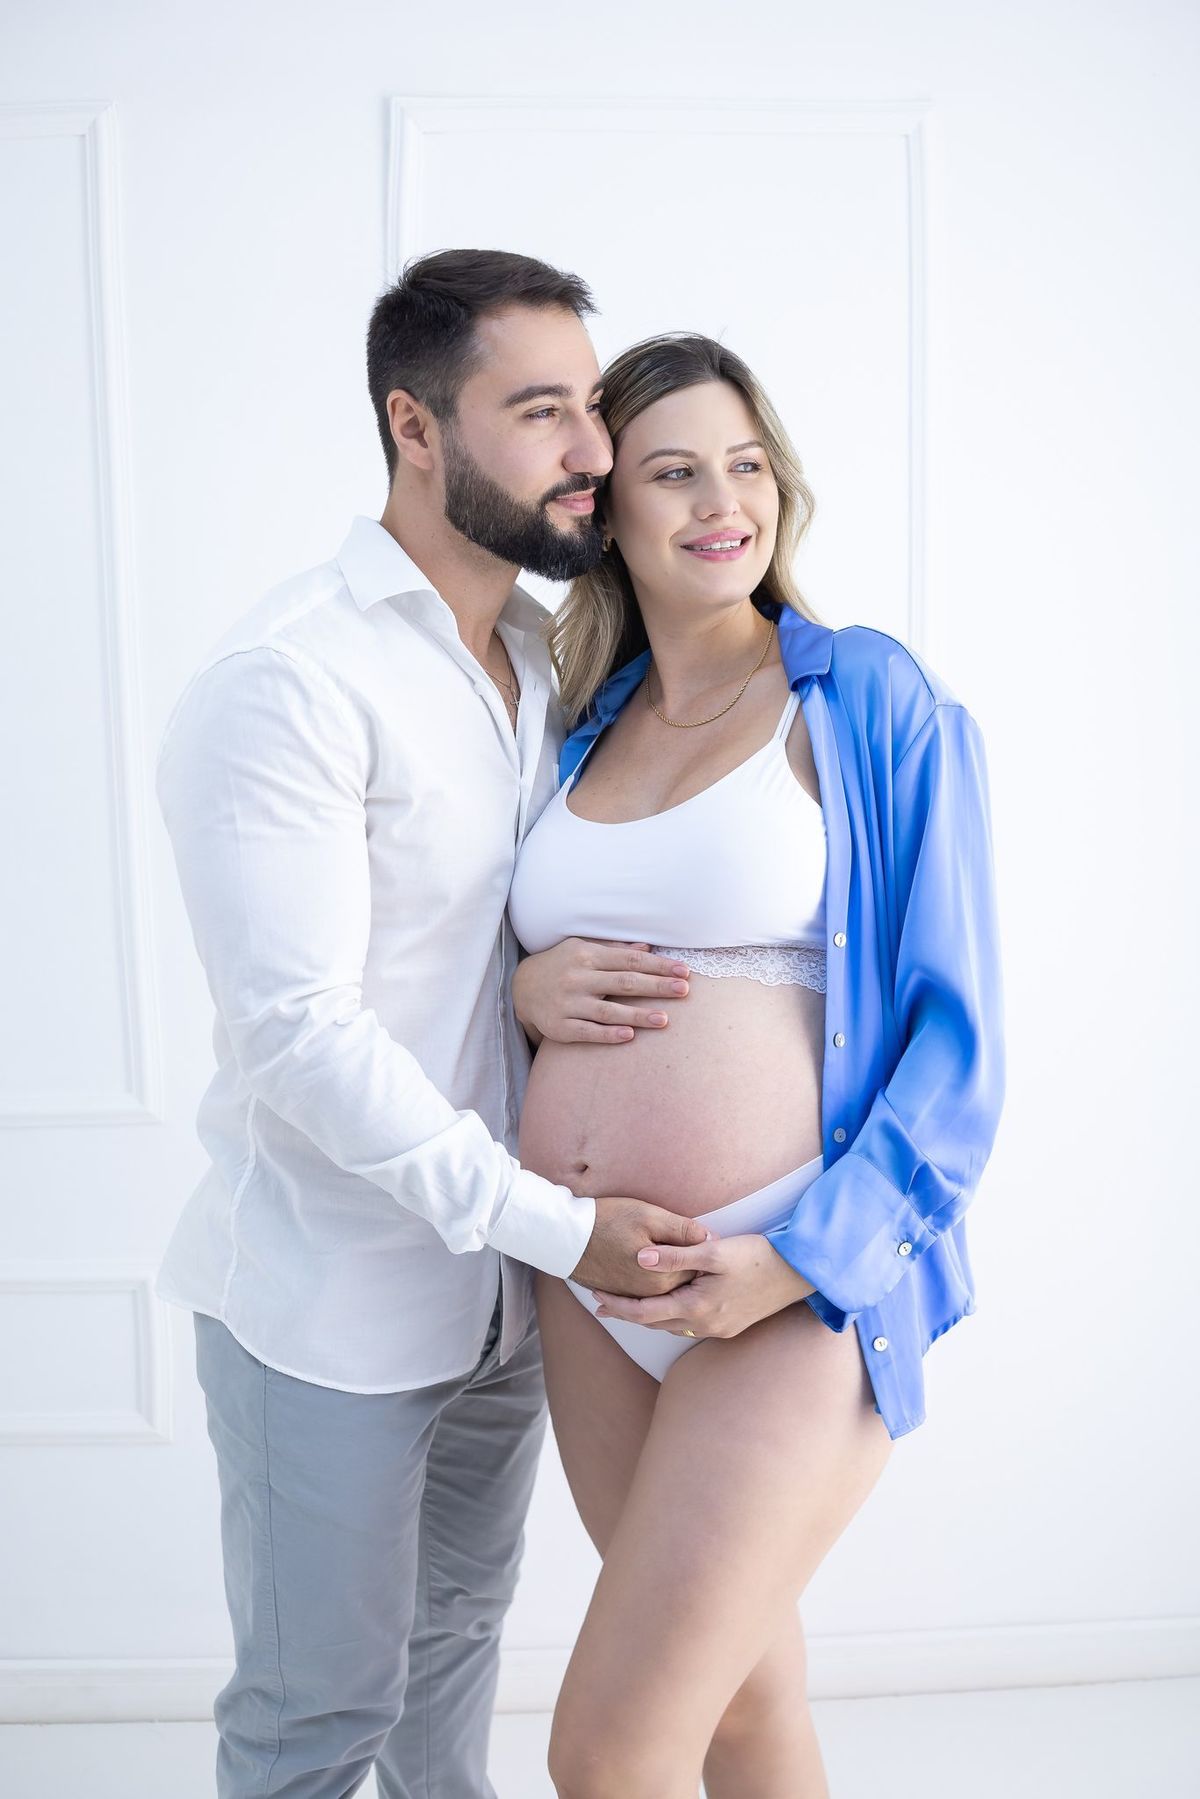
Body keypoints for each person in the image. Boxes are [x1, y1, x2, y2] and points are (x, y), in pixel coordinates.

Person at [152, 250, 713, 1799]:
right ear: (416, 428)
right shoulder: (291, 683)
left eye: (590, 408)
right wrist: (559, 1227)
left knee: (453, 1664)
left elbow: (481, 934)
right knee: (315, 1718)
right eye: (539, 413)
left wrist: (522, 997)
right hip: (332, 1309)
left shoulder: (551, 658)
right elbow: (301, 1040)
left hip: (501, 1309)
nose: (591, 452)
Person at [507, 331, 1007, 1798]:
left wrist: (797, 1261)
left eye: (745, 464)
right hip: (593, 1284)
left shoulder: (863, 702)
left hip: (793, 1286)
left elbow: (956, 1042)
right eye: (673, 472)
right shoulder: (576, 729)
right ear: (607, 510)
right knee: (734, 1714)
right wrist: (526, 986)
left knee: (609, 1752)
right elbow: (495, 969)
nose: (724, 500)